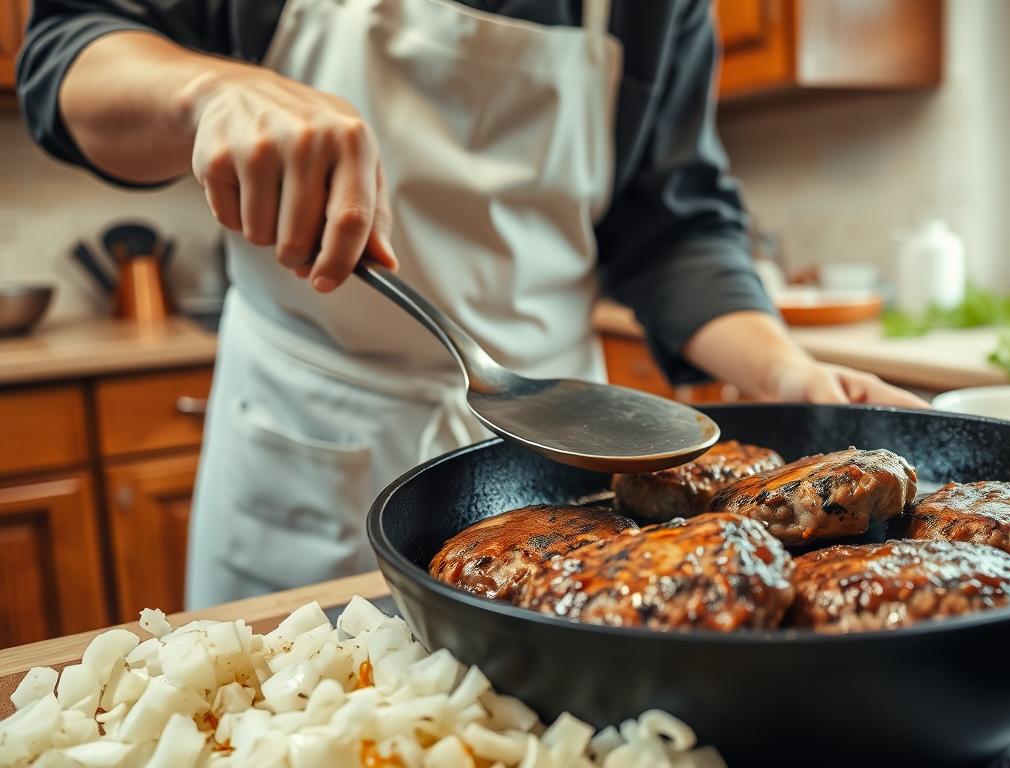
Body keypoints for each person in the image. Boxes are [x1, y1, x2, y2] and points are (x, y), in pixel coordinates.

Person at [19, 0, 927, 608]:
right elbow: (68, 53)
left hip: (564, 445)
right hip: (308, 431)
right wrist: (213, 90)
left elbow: (672, 225)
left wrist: (784, 367)